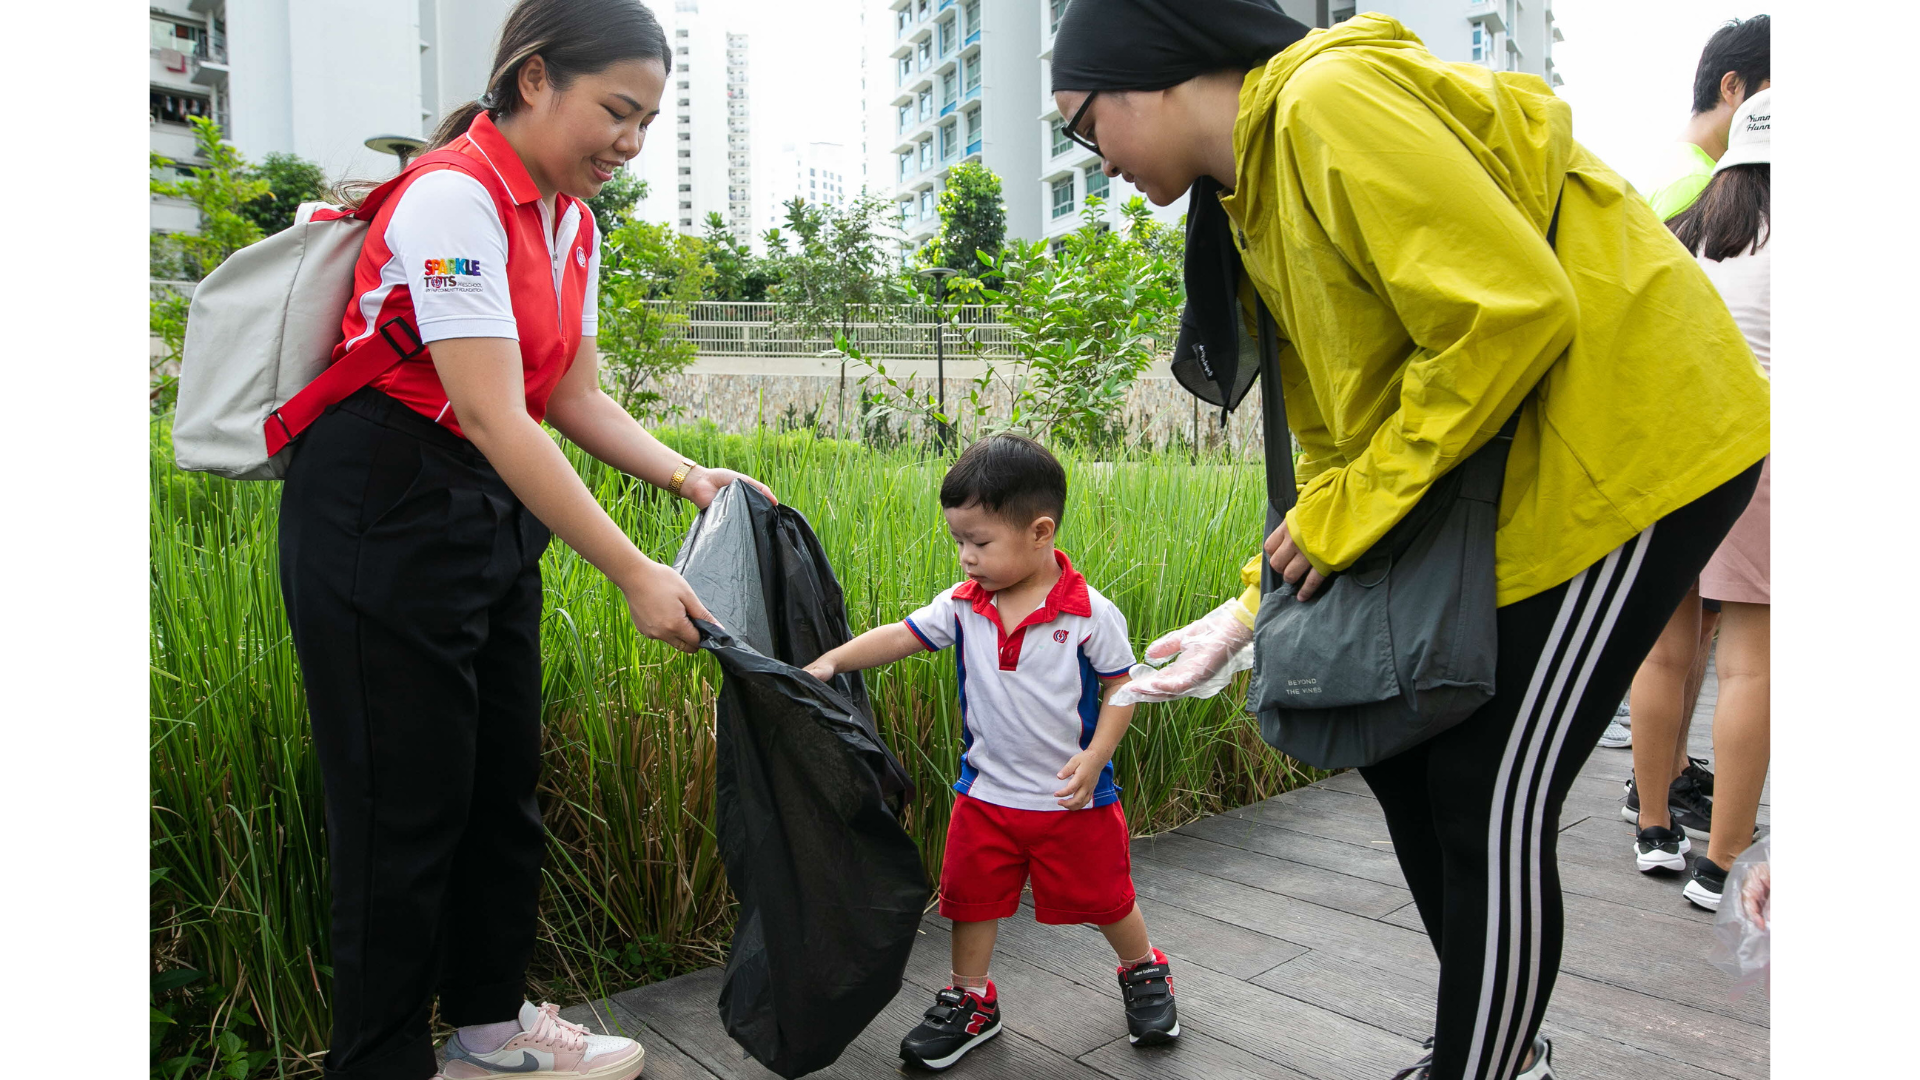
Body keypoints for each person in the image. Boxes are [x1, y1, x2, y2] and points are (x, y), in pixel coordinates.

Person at [1051, 4, 1767, 1079]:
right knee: (1399, 751)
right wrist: (1248, 610)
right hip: (1534, 467)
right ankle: (1498, 1046)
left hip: (1638, 448)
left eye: (1082, 125)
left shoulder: (1330, 102)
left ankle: (1483, 1061)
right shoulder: (1257, 191)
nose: (1092, 160)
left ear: (1149, 74)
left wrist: (1334, 528)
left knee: (1490, 789)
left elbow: (1512, 312)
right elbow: (1348, 433)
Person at [276, 3, 773, 1078]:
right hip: (380, 503)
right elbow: (498, 412)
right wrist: (635, 570)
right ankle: (377, 1061)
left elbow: (571, 397)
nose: (630, 144)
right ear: (535, 79)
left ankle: (491, 1029)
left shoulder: (571, 223)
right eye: (617, 112)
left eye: (646, 121)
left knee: (499, 787)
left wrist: (690, 476)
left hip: (483, 506)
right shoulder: (455, 195)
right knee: (399, 811)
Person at [802, 434, 1180, 1071]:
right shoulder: (964, 605)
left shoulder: (1090, 613)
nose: (966, 557)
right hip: (985, 798)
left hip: (1072, 798)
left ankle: (1144, 969)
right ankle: (972, 999)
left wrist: (1094, 758)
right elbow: (904, 634)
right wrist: (835, 660)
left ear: (1040, 532)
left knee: (1108, 898)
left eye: (980, 543)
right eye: (959, 541)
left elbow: (1123, 687)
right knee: (969, 900)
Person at [1620, 12, 1770, 854]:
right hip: (1717, 441)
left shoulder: (1681, 183)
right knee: (1708, 645)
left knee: (1675, 638)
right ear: (1734, 88)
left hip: (1669, 448)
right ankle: (1671, 802)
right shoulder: (1693, 188)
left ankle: (1658, 800)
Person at [1671, 90, 1771, 911]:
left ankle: (1652, 831)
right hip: (1764, 455)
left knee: (1665, 651)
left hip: (1680, 456)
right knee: (1749, 667)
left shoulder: (1686, 235)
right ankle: (1720, 864)